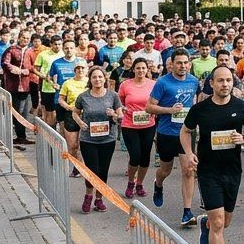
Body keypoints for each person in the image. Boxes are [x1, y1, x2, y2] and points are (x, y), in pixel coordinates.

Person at [181, 64, 244, 244]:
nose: (225, 84)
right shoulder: (200, 109)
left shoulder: (241, 107)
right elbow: (185, 131)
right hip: (207, 171)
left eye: (229, 81)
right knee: (218, 221)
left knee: (225, 222)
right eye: (221, 81)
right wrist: (188, 153)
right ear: (212, 83)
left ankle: (205, 223)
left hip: (232, 170)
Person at [146, 48, 201, 226]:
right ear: (171, 64)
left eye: (186, 63)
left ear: (189, 64)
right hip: (166, 133)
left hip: (186, 133)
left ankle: (187, 212)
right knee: (165, 170)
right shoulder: (162, 82)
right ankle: (158, 183)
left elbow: (194, 102)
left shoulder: (193, 81)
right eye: (179, 63)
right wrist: (170, 110)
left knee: (188, 170)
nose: (183, 66)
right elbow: (149, 107)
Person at [71, 65, 122, 214]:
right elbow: (75, 113)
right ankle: (88, 196)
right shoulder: (83, 96)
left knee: (103, 170)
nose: (97, 79)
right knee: (92, 170)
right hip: (88, 140)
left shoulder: (113, 96)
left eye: (100, 77)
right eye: (94, 77)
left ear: (104, 78)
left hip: (108, 139)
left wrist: (114, 114)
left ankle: (99, 199)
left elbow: (120, 116)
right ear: (90, 79)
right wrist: (80, 123)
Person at [118, 57, 156, 199]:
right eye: (138, 68)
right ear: (133, 69)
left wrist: (154, 110)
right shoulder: (125, 85)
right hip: (129, 125)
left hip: (148, 124)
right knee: (135, 156)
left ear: (147, 70)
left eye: (143, 68)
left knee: (145, 158)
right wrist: (123, 109)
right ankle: (130, 183)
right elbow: (119, 103)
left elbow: (157, 102)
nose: (140, 70)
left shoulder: (153, 84)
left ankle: (139, 184)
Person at [0, 32, 34, 145]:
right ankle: (18, 136)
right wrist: (15, 69)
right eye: (24, 37)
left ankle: (21, 136)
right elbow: (5, 63)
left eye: (28, 38)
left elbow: (35, 67)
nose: (25, 40)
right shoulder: (11, 50)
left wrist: (26, 71)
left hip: (27, 85)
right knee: (16, 112)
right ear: (19, 38)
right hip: (13, 86)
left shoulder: (31, 51)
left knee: (24, 113)